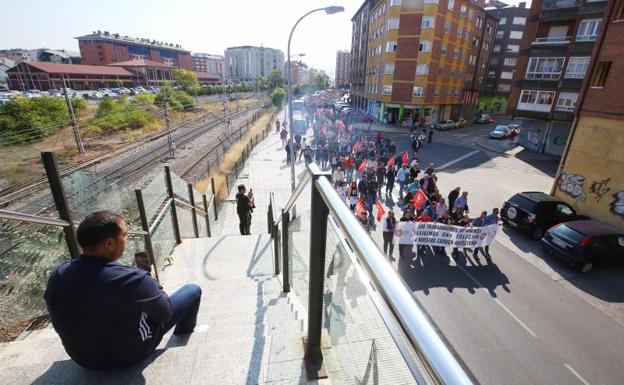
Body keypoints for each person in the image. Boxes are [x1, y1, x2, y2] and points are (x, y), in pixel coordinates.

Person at [44, 211, 202, 370]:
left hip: (83, 359)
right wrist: (150, 280)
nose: (127, 239)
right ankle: (181, 336)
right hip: (130, 355)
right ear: (109, 244)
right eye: (125, 235)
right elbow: (165, 314)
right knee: (193, 290)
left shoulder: (59, 274)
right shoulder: (134, 279)